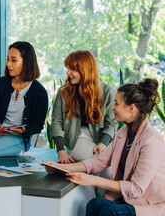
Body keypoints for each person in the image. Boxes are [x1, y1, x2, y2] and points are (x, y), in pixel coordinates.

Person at [44, 78, 165, 216]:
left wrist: (92, 180)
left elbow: (136, 188)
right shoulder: (123, 132)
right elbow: (97, 162)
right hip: (129, 199)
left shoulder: (152, 140)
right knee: (94, 204)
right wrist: (59, 168)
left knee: (109, 211)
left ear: (131, 108)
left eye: (116, 103)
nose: (113, 107)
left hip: (148, 204)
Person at [51, 50, 118, 164]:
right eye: (68, 68)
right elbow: (56, 122)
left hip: (100, 141)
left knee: (111, 165)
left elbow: (112, 123)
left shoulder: (107, 91)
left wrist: (103, 143)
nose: (67, 73)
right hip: (75, 140)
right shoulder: (63, 92)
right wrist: (60, 150)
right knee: (100, 164)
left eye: (72, 69)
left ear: (85, 70)